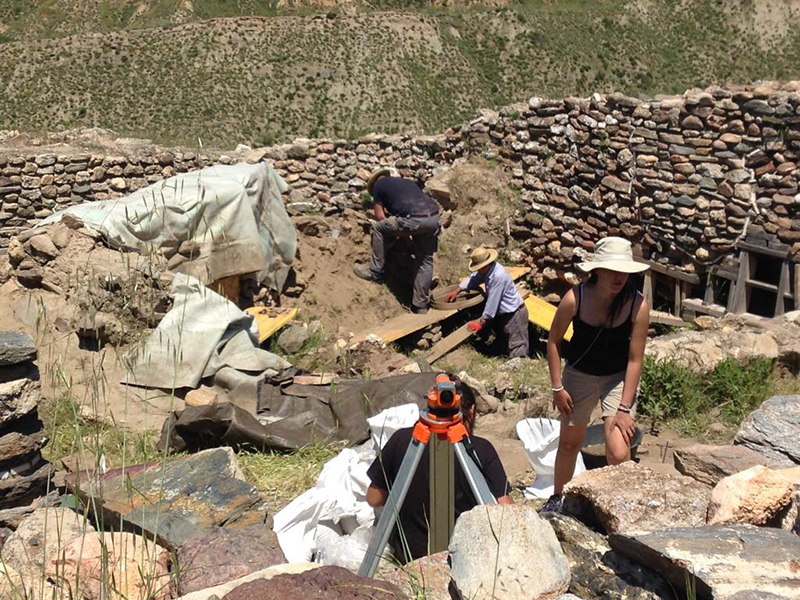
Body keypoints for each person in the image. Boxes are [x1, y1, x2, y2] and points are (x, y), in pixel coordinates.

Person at [542, 237, 650, 513]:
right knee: (570, 443)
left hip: (617, 377)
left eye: (624, 271)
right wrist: (557, 387)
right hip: (579, 374)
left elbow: (635, 358)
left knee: (618, 450)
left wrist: (625, 408)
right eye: (613, 270)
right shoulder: (574, 298)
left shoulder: (637, 304)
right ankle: (558, 499)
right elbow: (553, 342)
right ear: (597, 270)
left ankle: (622, 507)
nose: (619, 278)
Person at [365, 375, 513, 564]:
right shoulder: (481, 449)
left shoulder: (402, 440)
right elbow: (506, 510)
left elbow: (373, 498)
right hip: (466, 556)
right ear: (472, 410)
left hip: (410, 556)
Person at [353, 168, 440, 314]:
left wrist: (400, 235)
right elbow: (412, 208)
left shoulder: (378, 188)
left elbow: (380, 217)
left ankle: (375, 271)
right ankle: (420, 306)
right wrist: (406, 236)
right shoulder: (405, 183)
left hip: (414, 219)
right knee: (425, 261)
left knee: (380, 228)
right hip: (433, 217)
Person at [445, 246, 529, 358]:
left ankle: (519, 369)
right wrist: (457, 290)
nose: (478, 270)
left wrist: (481, 323)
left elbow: (492, 302)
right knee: (504, 341)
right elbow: (473, 279)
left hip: (514, 313)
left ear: (485, 265)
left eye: (479, 268)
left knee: (517, 346)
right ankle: (505, 360)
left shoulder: (498, 276)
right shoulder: (486, 271)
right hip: (504, 314)